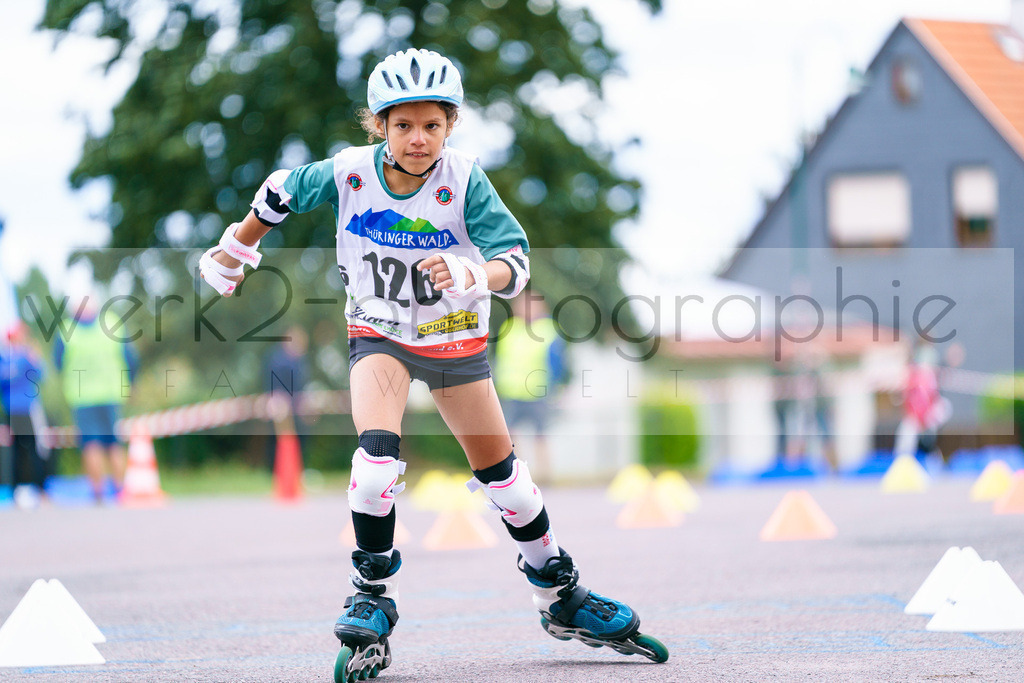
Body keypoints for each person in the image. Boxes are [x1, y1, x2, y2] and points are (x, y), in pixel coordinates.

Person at [197, 49, 667, 680]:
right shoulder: (350, 172)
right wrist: (236, 246)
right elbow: (280, 191)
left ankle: (561, 595)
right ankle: (372, 595)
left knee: (508, 483)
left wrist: (474, 272)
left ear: (451, 125)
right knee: (373, 469)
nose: (418, 139)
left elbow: (515, 262)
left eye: (432, 125)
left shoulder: (464, 180)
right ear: (379, 126)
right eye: (403, 125)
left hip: (453, 342)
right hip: (380, 336)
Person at [54, 298, 138, 504]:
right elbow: (131, 357)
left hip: (82, 396)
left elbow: (58, 362)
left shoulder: (66, 330)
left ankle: (98, 493)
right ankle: (120, 490)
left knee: (91, 444)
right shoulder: (112, 322)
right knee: (114, 443)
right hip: (111, 393)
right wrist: (131, 382)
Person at [494, 292, 567, 483]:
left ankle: (545, 476)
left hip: (538, 392)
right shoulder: (509, 327)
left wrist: (556, 388)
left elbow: (557, 363)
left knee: (541, 435)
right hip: (511, 391)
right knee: (509, 438)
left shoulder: (548, 329)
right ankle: (515, 476)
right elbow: (500, 358)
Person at [1, 322, 48, 508]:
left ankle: (35, 490)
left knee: (31, 449)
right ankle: (23, 491)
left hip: (24, 409)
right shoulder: (10, 357)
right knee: (22, 450)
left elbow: (40, 374)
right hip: (17, 410)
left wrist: (34, 359)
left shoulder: (23, 355)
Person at [894, 342, 950, 461]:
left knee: (944, 409)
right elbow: (906, 399)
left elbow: (933, 398)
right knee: (906, 438)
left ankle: (930, 456)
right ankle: (902, 462)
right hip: (914, 417)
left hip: (926, 417)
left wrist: (926, 418)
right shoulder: (911, 375)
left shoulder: (931, 377)